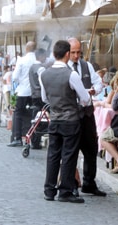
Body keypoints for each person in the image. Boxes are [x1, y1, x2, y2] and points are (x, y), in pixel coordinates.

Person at [40, 40, 89, 203]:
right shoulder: (71, 74)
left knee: (53, 154)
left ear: (54, 54)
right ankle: (65, 191)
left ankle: (49, 189)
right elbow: (85, 98)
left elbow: (44, 98)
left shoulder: (44, 74)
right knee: (68, 155)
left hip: (54, 118)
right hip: (71, 120)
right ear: (68, 54)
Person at [67, 37, 106, 197]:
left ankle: (89, 182)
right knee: (72, 150)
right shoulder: (64, 68)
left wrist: (93, 90)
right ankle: (73, 183)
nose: (76, 56)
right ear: (67, 52)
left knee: (91, 148)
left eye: (78, 52)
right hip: (72, 114)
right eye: (73, 52)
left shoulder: (86, 65)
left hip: (87, 112)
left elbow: (98, 82)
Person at [8, 41, 36, 147]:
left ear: (26, 48)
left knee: (18, 114)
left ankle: (17, 137)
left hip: (21, 91)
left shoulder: (21, 60)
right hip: (34, 92)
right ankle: (33, 139)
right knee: (34, 115)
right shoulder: (37, 60)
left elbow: (14, 77)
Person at [28, 48, 48, 149]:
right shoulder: (40, 68)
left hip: (34, 95)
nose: (46, 58)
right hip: (41, 96)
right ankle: (35, 141)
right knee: (40, 119)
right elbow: (44, 82)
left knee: (37, 118)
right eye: (45, 56)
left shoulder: (32, 67)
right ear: (41, 56)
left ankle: (34, 141)